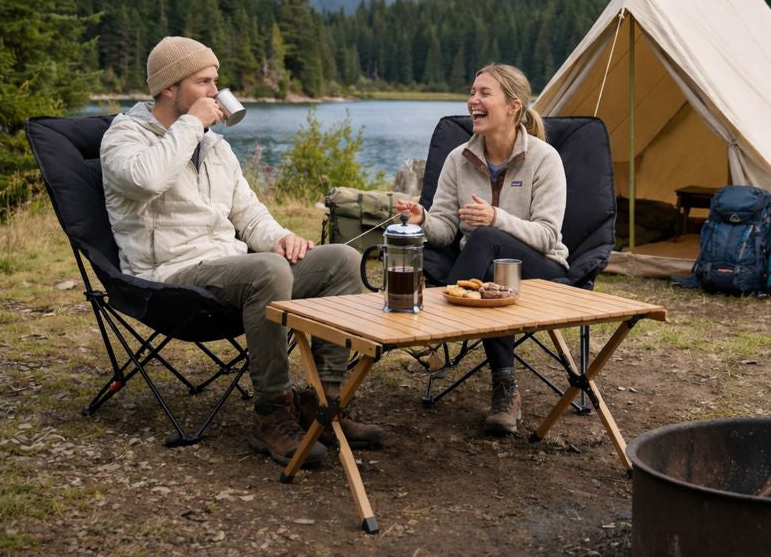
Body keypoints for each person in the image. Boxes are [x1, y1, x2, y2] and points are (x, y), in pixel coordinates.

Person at [100, 36, 384, 467]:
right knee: (268, 271)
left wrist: (281, 238)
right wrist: (191, 124)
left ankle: (325, 405)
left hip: (229, 268)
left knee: (342, 260)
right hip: (169, 276)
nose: (215, 92)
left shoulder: (215, 146)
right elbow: (146, 180)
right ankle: (272, 414)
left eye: (216, 81)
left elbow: (249, 215)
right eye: (204, 82)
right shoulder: (124, 136)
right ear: (169, 87)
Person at [395, 64, 569, 435]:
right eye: (472, 92)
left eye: (484, 93)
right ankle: (505, 387)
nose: (473, 100)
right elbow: (445, 230)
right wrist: (423, 219)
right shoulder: (458, 159)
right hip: (483, 276)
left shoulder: (544, 159)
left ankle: (437, 332)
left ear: (513, 106)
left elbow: (547, 236)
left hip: (543, 270)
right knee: (488, 267)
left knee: (486, 238)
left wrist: (495, 217)